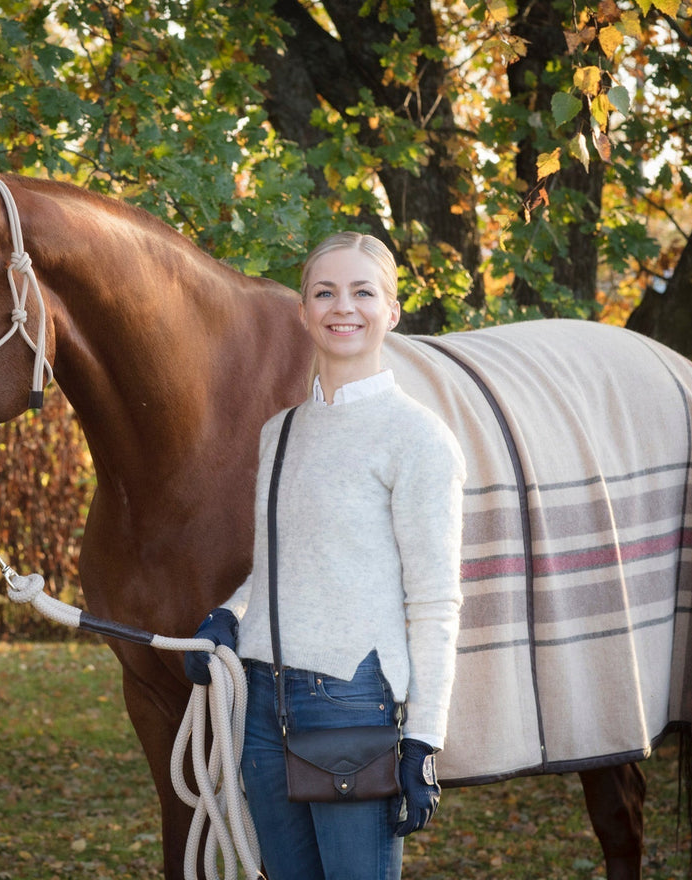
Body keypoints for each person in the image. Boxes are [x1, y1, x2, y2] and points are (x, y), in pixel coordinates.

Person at [184, 232, 466, 880]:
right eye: (326, 292)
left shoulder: (418, 438)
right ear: (304, 312)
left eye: (364, 292)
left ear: (391, 311)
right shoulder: (280, 432)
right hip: (260, 699)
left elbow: (435, 602)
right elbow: (279, 562)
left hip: (351, 701)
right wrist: (230, 614)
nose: (345, 307)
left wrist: (424, 739)